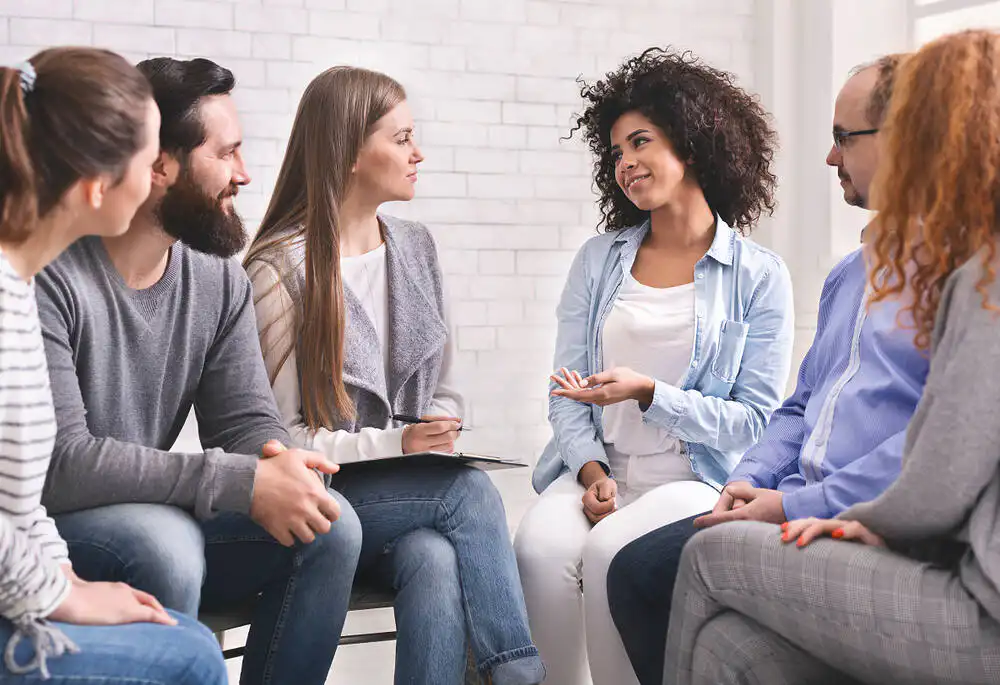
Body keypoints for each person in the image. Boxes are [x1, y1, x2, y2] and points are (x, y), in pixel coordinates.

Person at [667, 29, 1000, 685]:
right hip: (951, 564)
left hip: (982, 609)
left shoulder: (985, 274)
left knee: (705, 555)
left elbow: (942, 466)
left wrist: (853, 517)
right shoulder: (884, 270)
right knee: (731, 649)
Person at [36, 57, 361, 685]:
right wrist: (235, 482)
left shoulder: (217, 281)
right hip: (57, 523)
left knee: (330, 525)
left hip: (157, 503)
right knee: (164, 544)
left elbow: (246, 426)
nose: (244, 175)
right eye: (227, 154)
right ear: (161, 166)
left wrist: (280, 468)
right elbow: (61, 463)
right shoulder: (50, 273)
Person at [604, 53, 917, 685]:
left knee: (647, 572)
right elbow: (799, 407)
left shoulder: (958, 283)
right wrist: (746, 481)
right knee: (654, 584)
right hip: (786, 500)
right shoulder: (847, 277)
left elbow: (928, 447)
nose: (829, 158)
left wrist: (788, 503)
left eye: (842, 138)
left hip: (852, 519)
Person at [243, 66, 543, 685]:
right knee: (468, 493)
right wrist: (393, 444)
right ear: (351, 152)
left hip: (403, 498)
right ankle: (519, 674)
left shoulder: (415, 247)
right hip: (321, 501)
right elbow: (275, 441)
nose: (418, 153)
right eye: (402, 138)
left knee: (433, 559)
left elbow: (444, 383)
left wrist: (436, 424)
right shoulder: (279, 271)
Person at [512, 47, 795, 685]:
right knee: (539, 547)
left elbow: (754, 423)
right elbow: (566, 390)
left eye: (639, 143)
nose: (625, 164)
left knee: (614, 554)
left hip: (692, 479)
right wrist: (590, 472)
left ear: (691, 145)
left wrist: (650, 393)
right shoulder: (598, 259)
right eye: (614, 152)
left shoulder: (758, 276)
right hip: (601, 471)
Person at [0, 48, 225, 684]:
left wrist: (65, 579)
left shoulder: (17, 284)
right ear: (99, 185)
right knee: (190, 658)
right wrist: (60, 597)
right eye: (151, 158)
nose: (162, 174)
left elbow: (17, 503)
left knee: (179, 635)